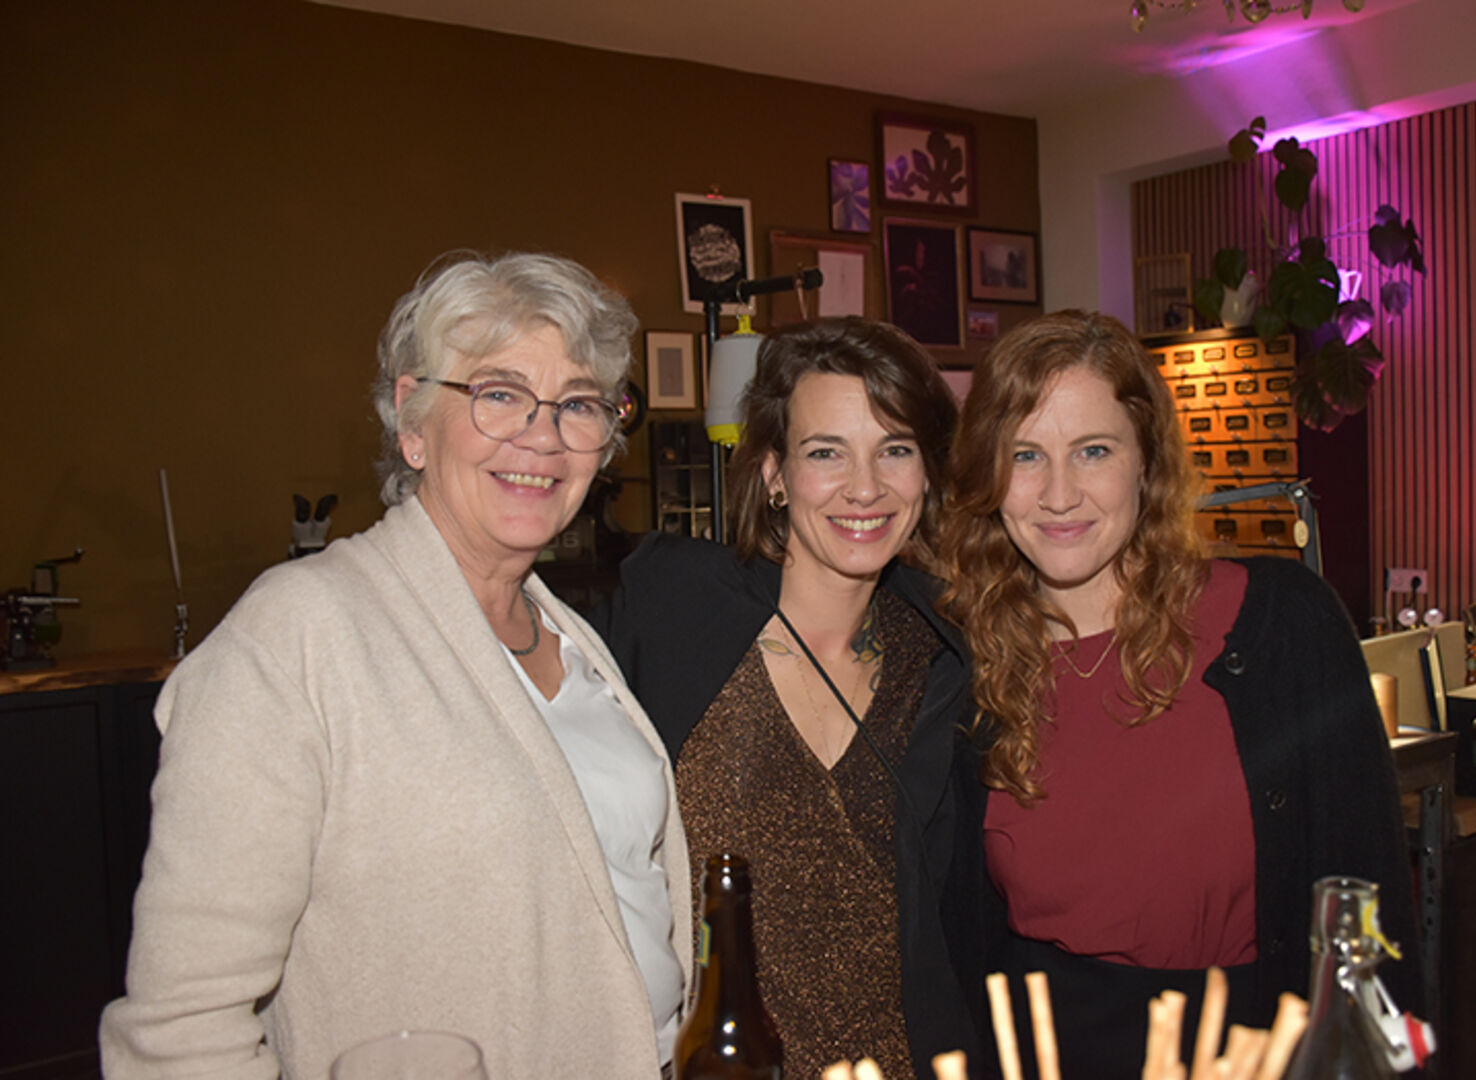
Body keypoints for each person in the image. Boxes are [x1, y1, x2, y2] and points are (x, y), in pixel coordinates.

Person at [100, 253, 688, 1079]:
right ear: (412, 423)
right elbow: (182, 1024)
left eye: (577, 404)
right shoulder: (297, 634)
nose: (544, 436)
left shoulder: (566, 632)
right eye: (498, 394)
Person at [937, 310, 1418, 1078]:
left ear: (1146, 462)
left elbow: (1370, 904)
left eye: (1092, 451)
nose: (1058, 493)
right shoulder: (964, 665)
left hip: (1247, 1053)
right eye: (1024, 454)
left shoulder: (1277, 624)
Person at [592, 317, 985, 1080]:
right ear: (773, 472)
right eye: (825, 452)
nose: (864, 487)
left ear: (927, 472)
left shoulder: (944, 656)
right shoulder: (672, 609)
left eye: (894, 450)